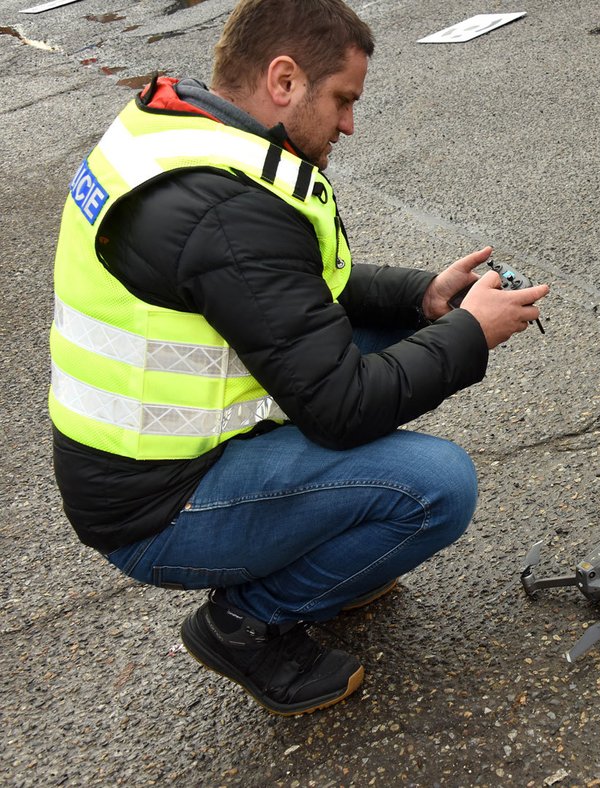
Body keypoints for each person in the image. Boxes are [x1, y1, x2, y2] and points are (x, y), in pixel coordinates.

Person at [48, 0, 547, 716]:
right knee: (437, 487)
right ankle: (246, 623)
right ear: (283, 80)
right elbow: (341, 409)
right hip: (156, 508)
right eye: (342, 99)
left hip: (150, 456)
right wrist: (472, 333)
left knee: (396, 345)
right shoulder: (223, 207)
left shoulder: (184, 134)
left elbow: (289, 293)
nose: (349, 124)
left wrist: (426, 300)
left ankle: (327, 553)